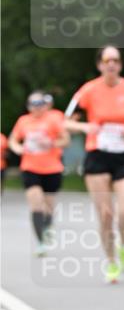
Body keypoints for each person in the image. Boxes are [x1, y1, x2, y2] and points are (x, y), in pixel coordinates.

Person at [65, 45, 124, 283]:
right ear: (99, 65)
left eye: (116, 60)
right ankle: (111, 261)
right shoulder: (88, 90)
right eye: (107, 60)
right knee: (106, 214)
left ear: (120, 65)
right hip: (97, 155)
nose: (112, 64)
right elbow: (67, 122)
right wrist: (85, 127)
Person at [8, 91, 69, 255]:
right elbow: (13, 140)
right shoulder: (23, 121)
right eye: (33, 104)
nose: (37, 107)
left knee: (48, 206)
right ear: (28, 106)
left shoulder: (54, 119)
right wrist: (18, 148)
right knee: (35, 204)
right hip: (30, 167)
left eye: (40, 103)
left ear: (45, 105)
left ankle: (48, 227)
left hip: (52, 168)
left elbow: (66, 140)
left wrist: (51, 142)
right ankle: (40, 242)